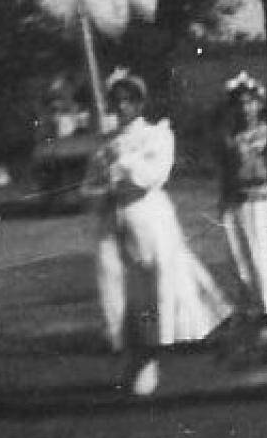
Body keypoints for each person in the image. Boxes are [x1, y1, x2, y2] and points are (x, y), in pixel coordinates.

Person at [87, 69, 231, 397]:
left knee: (150, 290)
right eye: (117, 100)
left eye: (129, 100)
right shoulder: (104, 143)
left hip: (148, 219)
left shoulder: (157, 135)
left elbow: (153, 175)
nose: (122, 106)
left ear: (141, 104)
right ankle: (132, 356)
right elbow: (88, 187)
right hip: (112, 221)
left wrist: (122, 163)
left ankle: (149, 359)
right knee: (116, 291)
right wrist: (102, 188)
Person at [215, 71, 267, 337]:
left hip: (259, 200)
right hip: (234, 199)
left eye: (251, 102)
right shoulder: (229, 137)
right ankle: (249, 306)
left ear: (260, 104)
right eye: (240, 103)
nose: (245, 108)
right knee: (238, 256)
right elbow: (226, 170)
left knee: (260, 254)